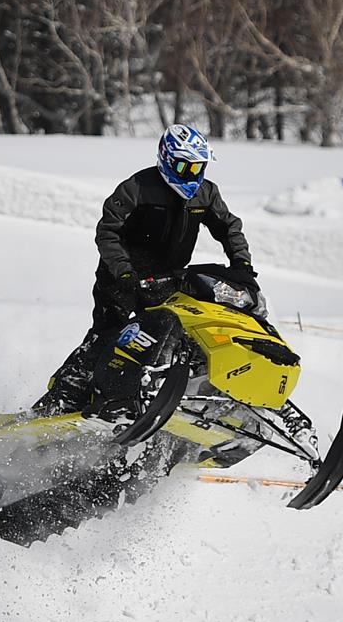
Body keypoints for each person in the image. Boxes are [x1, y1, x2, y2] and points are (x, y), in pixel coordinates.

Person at [33, 124, 259, 415]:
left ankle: (168, 392)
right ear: (166, 159)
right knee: (108, 335)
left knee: (175, 331)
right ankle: (62, 397)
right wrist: (124, 271)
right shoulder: (137, 188)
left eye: (198, 167)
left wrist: (241, 263)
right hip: (122, 278)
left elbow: (229, 227)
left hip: (168, 279)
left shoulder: (205, 193)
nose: (192, 174)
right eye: (184, 167)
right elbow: (107, 232)